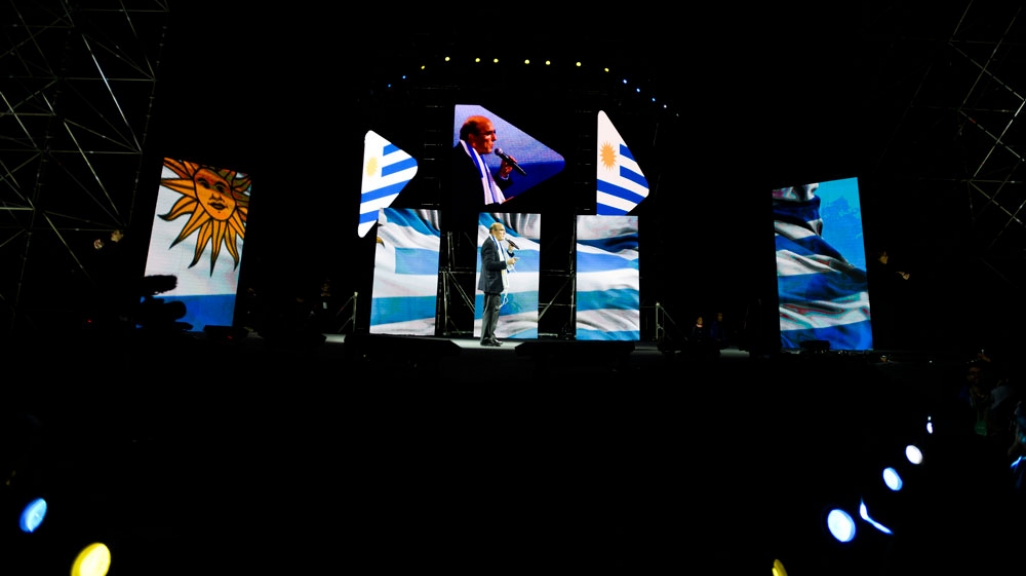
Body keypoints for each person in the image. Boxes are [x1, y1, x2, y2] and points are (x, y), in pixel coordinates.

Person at [478, 222, 517, 346]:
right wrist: (507, 262)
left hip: (494, 283)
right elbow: (488, 264)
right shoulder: (489, 244)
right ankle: (487, 339)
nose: (504, 233)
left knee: (491, 313)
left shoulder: (496, 243)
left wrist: (510, 252)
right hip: (492, 284)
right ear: (493, 231)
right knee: (491, 312)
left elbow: (501, 258)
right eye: (501, 230)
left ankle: (488, 337)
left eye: (504, 231)